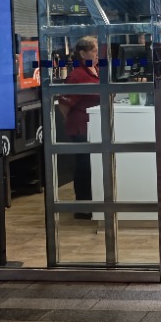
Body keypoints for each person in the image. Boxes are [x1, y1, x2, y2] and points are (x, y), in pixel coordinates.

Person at [59, 36, 100, 218]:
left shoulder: (96, 70)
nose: (97, 54)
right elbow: (64, 104)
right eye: (94, 51)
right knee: (84, 166)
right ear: (83, 54)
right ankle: (83, 208)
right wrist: (69, 120)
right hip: (80, 127)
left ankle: (94, 203)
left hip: (95, 126)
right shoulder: (77, 75)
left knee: (92, 165)